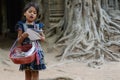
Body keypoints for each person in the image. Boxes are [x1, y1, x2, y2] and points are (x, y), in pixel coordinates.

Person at [15, 2, 46, 80]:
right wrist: (23, 36)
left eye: (34, 13)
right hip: (26, 51)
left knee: (35, 71)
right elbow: (18, 41)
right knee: (27, 71)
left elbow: (43, 38)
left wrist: (41, 38)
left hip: (36, 52)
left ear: (36, 15)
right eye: (30, 11)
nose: (32, 14)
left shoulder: (38, 25)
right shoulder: (21, 26)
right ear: (25, 13)